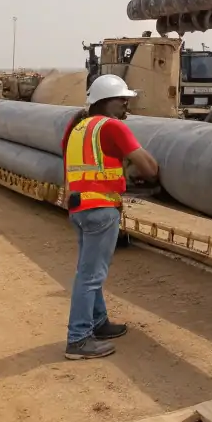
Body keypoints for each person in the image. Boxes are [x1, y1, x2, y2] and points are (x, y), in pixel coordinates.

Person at [60, 74, 159, 360]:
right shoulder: (112, 127)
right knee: (90, 276)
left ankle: (98, 323)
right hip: (101, 208)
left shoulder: (78, 128)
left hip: (79, 208)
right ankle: (78, 339)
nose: (127, 105)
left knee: (89, 270)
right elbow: (149, 167)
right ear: (105, 102)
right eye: (122, 100)